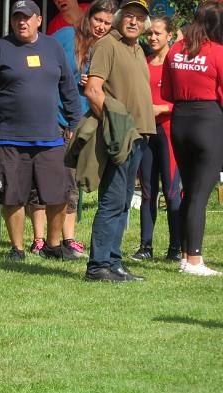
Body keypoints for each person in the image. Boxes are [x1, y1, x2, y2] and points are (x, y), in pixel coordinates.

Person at [0, 0, 83, 262]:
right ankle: (18, 248)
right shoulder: (0, 48)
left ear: (38, 20)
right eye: (16, 18)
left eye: (26, 17)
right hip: (9, 137)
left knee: (59, 193)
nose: (21, 22)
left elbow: (69, 86)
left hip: (51, 137)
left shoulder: (53, 47)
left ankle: (54, 245)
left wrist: (74, 123)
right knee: (13, 195)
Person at [83, 0, 155, 282]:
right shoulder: (107, 44)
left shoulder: (136, 48)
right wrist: (116, 128)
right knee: (112, 201)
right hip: (122, 135)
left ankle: (113, 263)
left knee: (124, 202)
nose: (134, 22)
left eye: (139, 18)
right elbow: (93, 90)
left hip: (139, 136)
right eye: (129, 16)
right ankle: (98, 266)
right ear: (119, 18)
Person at [51, 0, 117, 260]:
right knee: (61, 180)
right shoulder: (67, 36)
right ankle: (50, 238)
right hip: (61, 119)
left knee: (76, 182)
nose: (101, 27)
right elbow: (47, 65)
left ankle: (68, 237)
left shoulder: (108, 46)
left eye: (106, 23)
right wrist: (71, 77)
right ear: (89, 18)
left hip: (89, 122)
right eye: (98, 20)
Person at [161, 0, 223, 276]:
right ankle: (195, 260)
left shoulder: (175, 50)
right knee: (200, 193)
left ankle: (185, 255)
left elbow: (166, 93)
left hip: (180, 122)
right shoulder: (218, 52)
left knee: (189, 190)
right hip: (208, 122)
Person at [131, 15, 182, 263]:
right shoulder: (144, 60)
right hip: (146, 133)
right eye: (149, 34)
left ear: (170, 35)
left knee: (173, 194)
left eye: (158, 33)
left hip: (170, 132)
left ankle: (176, 248)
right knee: (149, 193)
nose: (152, 38)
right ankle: (145, 247)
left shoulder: (177, 62)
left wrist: (162, 109)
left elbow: (187, 98)